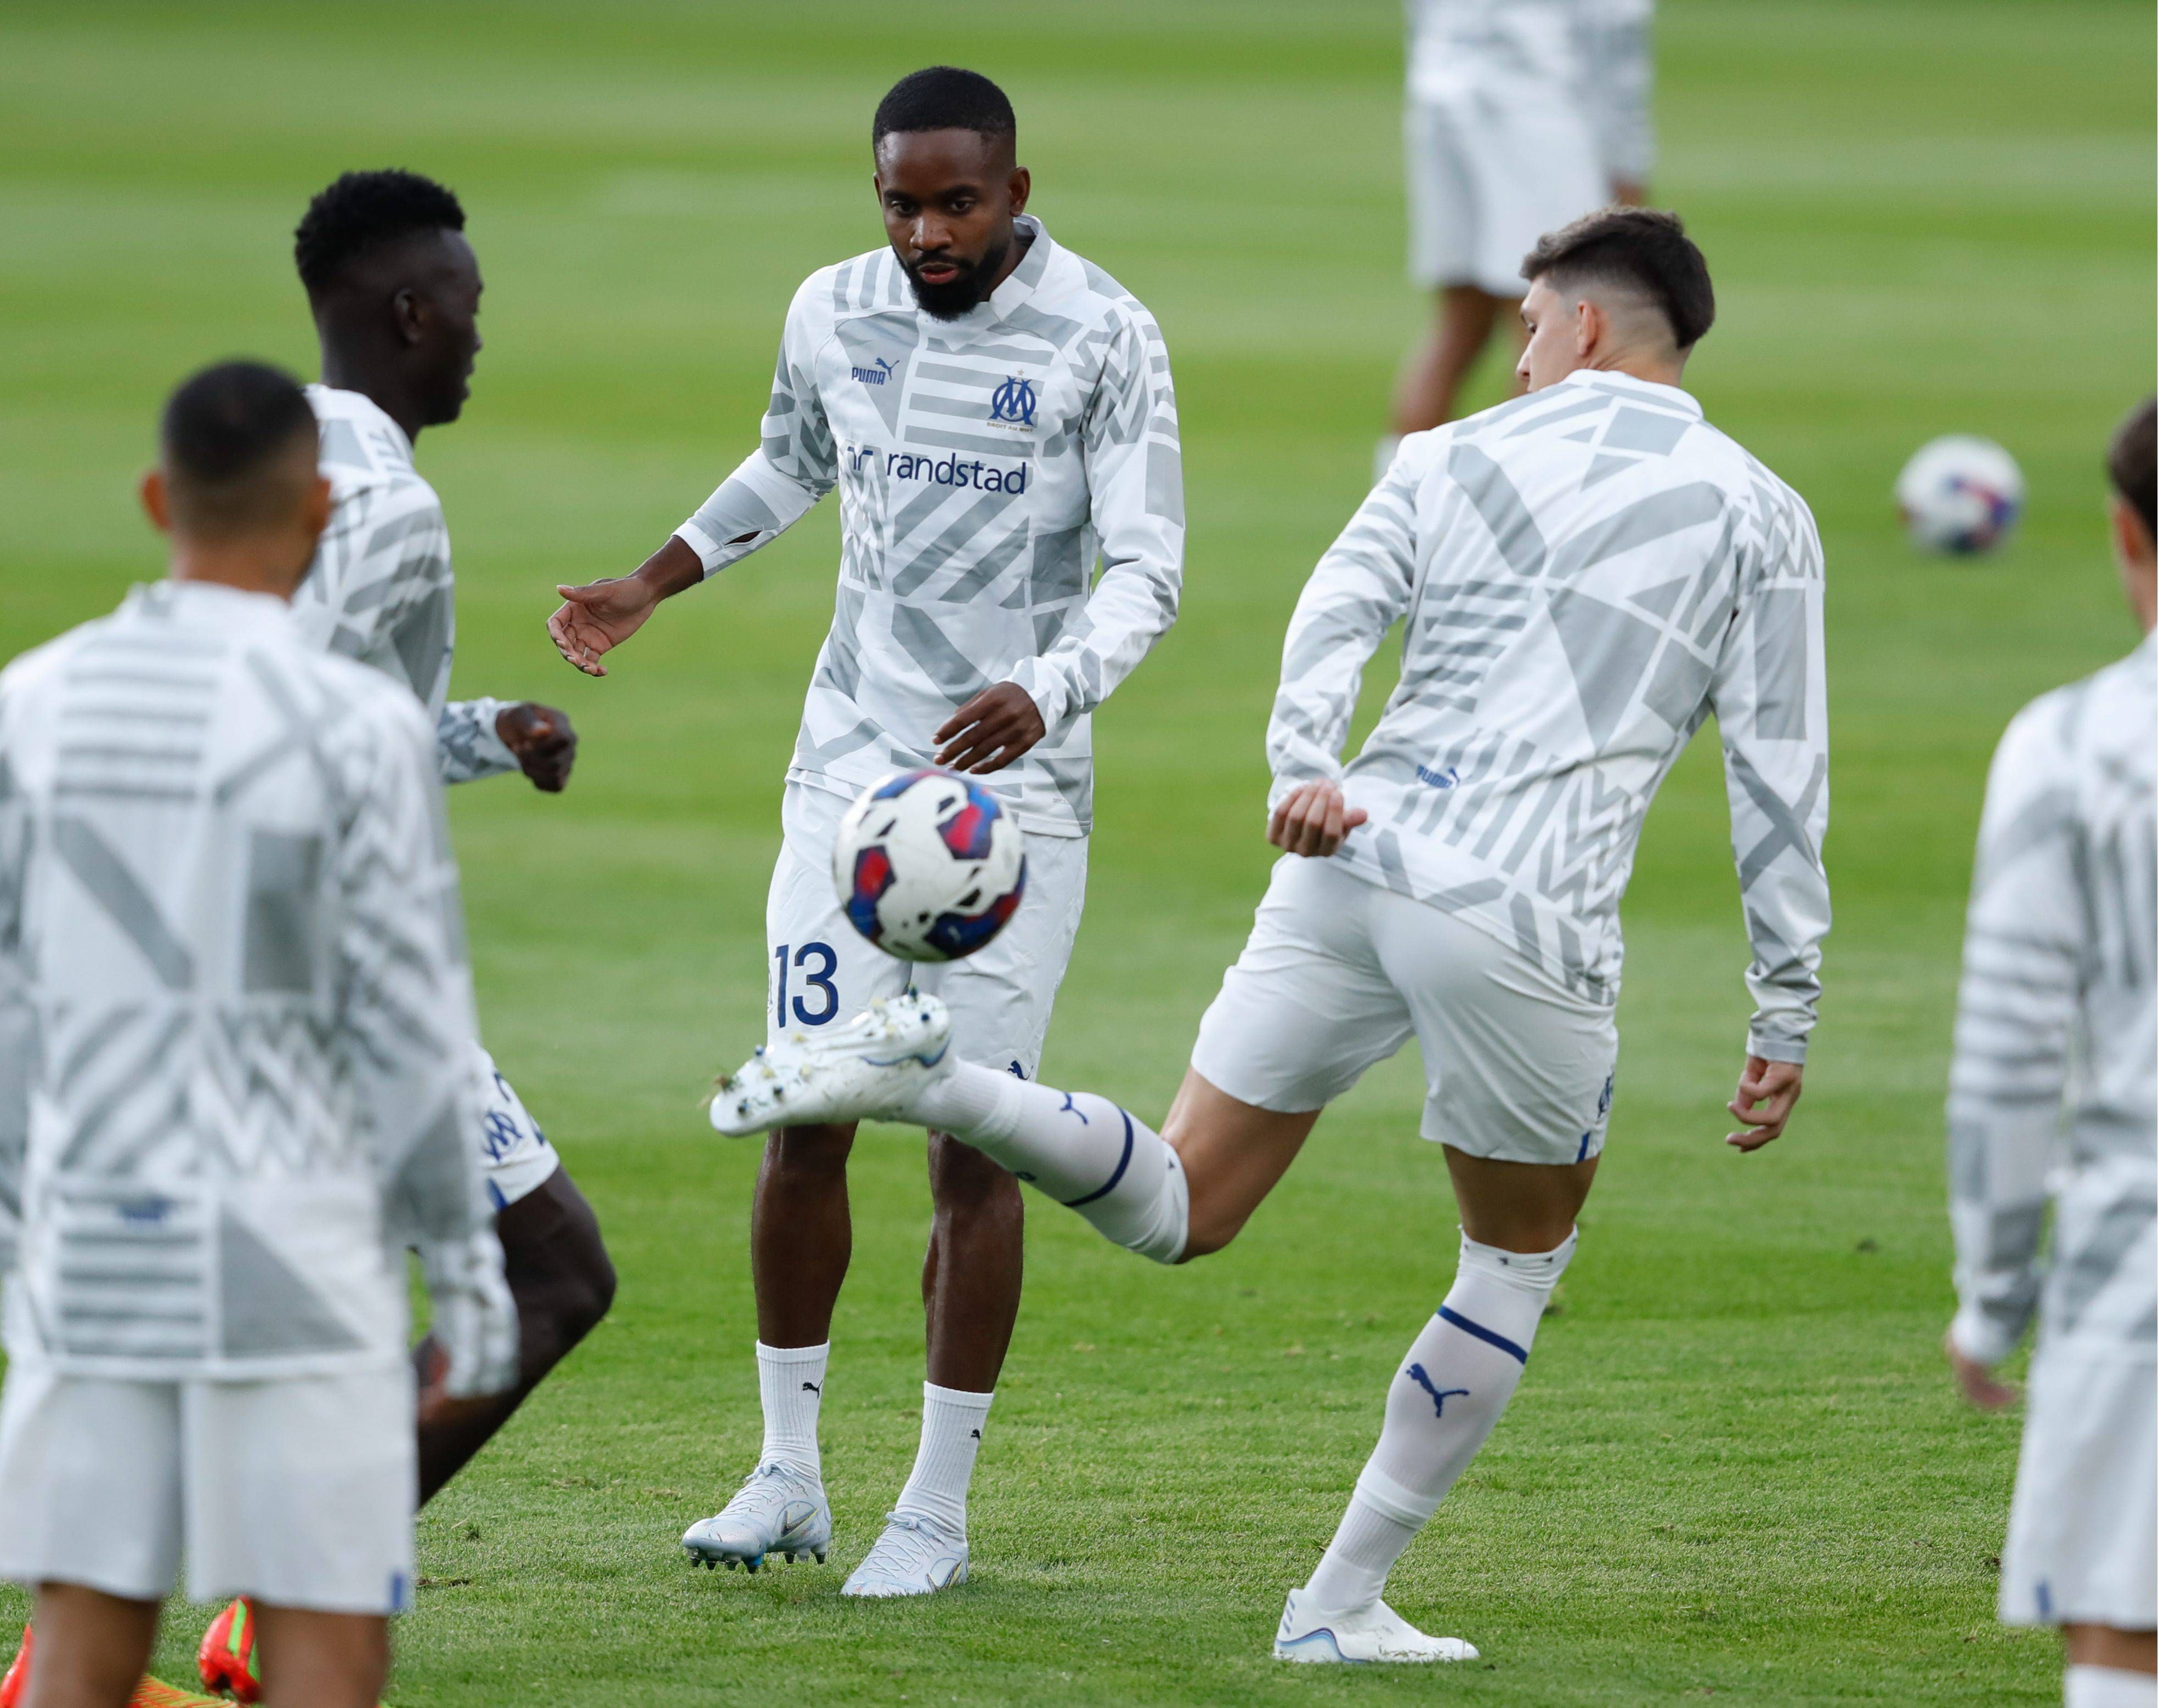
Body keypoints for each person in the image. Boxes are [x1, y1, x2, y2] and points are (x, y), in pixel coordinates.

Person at [713, 206, 1831, 1663]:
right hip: (1520, 910)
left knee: (1183, 1201)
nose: (1508, 358)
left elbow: (1332, 610)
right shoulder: (1760, 509)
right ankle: (1338, 1602)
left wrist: (1304, 770)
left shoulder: (1437, 458)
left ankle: (932, 1081)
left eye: (1521, 327)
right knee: (1508, 1263)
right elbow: (1776, 771)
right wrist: (1784, 1004)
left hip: (1348, 853)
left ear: (1586, 327)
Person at [547, 66, 1182, 1596]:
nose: (924, 230)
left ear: (1015, 192)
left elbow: (1145, 567)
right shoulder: (833, 307)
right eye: (899, 200)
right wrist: (653, 578)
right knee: (803, 1109)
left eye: (955, 200)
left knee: (971, 1135)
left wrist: (1048, 689)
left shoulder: (1105, 332)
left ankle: (936, 1510)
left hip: (1007, 802)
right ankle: (783, 1475)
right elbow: (790, 460)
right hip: (847, 774)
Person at [0, 361, 516, 1708]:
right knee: (326, 1654)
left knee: (82, 1650)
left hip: (95, 1240)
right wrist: (465, 1269)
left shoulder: (28, 702)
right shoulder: (356, 724)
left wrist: (17, 1248)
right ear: (321, 509)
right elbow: (408, 1020)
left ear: (159, 497)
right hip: (299, 1255)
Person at [184, 167, 617, 1703]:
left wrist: (491, 731)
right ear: (412, 310)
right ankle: (255, 1614)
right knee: (548, 1278)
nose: (479, 345)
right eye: (472, 314)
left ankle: (232, 1614)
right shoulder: (387, 503)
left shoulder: (288, 466)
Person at [1944, 398, 2155, 1708]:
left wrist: (1989, 1295)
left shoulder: (2071, 748)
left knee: (2123, 1632)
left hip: (2135, 1264)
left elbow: (2007, 1052)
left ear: (2122, 535)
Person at [1382, 0, 1655, 478]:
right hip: (1540, 107)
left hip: (1441, 96)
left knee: (1460, 326)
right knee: (1551, 329)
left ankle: (1394, 525)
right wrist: (1627, 166)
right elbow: (1614, 35)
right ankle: (1511, 527)